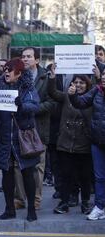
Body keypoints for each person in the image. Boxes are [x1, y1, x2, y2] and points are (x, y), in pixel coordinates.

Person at [0, 58, 40, 222]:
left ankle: (31, 210)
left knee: (28, 174)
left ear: (19, 73)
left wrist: (22, 105)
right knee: (6, 175)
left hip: (23, 138)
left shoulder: (28, 88)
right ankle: (9, 209)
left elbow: (36, 106)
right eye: (5, 69)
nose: (6, 72)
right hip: (5, 138)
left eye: (10, 70)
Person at [47, 67, 93, 215]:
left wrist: (98, 75)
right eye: (75, 82)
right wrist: (53, 78)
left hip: (83, 145)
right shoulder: (66, 96)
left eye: (81, 82)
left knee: (84, 177)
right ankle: (64, 202)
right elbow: (52, 93)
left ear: (87, 84)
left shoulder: (92, 98)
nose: (78, 85)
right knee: (66, 176)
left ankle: (85, 203)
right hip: (65, 144)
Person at [15, 47, 54, 210]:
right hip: (20, 128)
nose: (25, 59)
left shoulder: (46, 77)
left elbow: (52, 102)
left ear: (37, 60)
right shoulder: (16, 76)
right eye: (23, 56)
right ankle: (19, 198)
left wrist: (32, 108)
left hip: (39, 127)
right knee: (18, 165)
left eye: (29, 57)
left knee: (38, 166)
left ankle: (36, 199)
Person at [69, 69, 105, 221]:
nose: (104, 78)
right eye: (103, 75)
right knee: (99, 177)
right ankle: (100, 207)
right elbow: (80, 103)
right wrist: (73, 95)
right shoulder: (96, 91)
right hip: (98, 141)